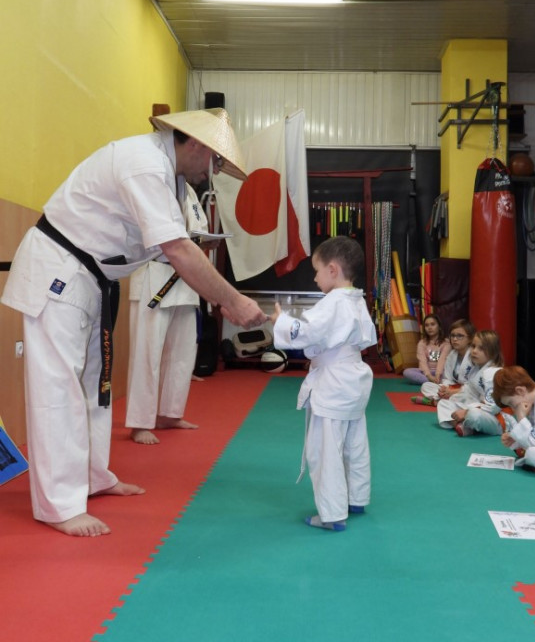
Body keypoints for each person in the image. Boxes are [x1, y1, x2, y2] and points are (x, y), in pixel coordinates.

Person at [1, 108, 267, 537]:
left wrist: (221, 293)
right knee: (59, 389)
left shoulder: (168, 176)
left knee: (95, 387)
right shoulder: (145, 164)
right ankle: (59, 506)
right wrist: (231, 300)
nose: (214, 171)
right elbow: (177, 250)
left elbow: (168, 248)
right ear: (194, 142)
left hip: (91, 278)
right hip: (60, 271)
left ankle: (92, 477)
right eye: (215, 159)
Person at [270, 236, 377, 532]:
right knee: (355, 443)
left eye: (316, 271)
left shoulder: (334, 301)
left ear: (332, 269)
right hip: (354, 378)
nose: (315, 278)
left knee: (325, 449)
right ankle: (357, 498)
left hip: (333, 382)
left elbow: (307, 332)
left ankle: (332, 515)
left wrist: (281, 321)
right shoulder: (356, 299)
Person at [125, 183, 218, 445]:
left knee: (182, 351)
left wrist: (206, 241)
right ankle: (140, 422)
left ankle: (169, 413)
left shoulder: (188, 190)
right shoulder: (152, 181)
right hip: (153, 273)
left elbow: (196, 231)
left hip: (185, 277)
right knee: (147, 353)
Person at [436, 330, 505, 436]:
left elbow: (493, 407)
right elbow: (469, 389)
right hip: (473, 407)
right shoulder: (476, 368)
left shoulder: (494, 374)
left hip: (494, 418)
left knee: (474, 415)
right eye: (473, 346)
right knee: (444, 404)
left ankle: (466, 425)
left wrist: (466, 412)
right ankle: (462, 425)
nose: (474, 351)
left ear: (492, 352)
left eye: (481, 348)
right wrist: (453, 395)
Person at [413, 318, 476, 406]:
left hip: (468, 390)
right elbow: (447, 378)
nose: (455, 339)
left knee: (468, 396)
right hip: (454, 387)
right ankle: (445, 401)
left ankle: (437, 401)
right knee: (425, 386)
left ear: (470, 338)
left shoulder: (475, 356)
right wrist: (444, 389)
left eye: (460, 336)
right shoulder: (452, 355)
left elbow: (475, 386)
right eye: (452, 335)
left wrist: (453, 391)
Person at [403, 313, 450, 389]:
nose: (429, 327)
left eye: (433, 324)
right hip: (426, 372)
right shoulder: (422, 343)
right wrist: (429, 376)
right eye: (427, 325)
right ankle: (435, 382)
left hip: (442, 372)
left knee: (450, 375)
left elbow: (442, 360)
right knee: (407, 372)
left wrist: (438, 374)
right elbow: (422, 361)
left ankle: (434, 381)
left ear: (439, 326)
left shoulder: (446, 343)